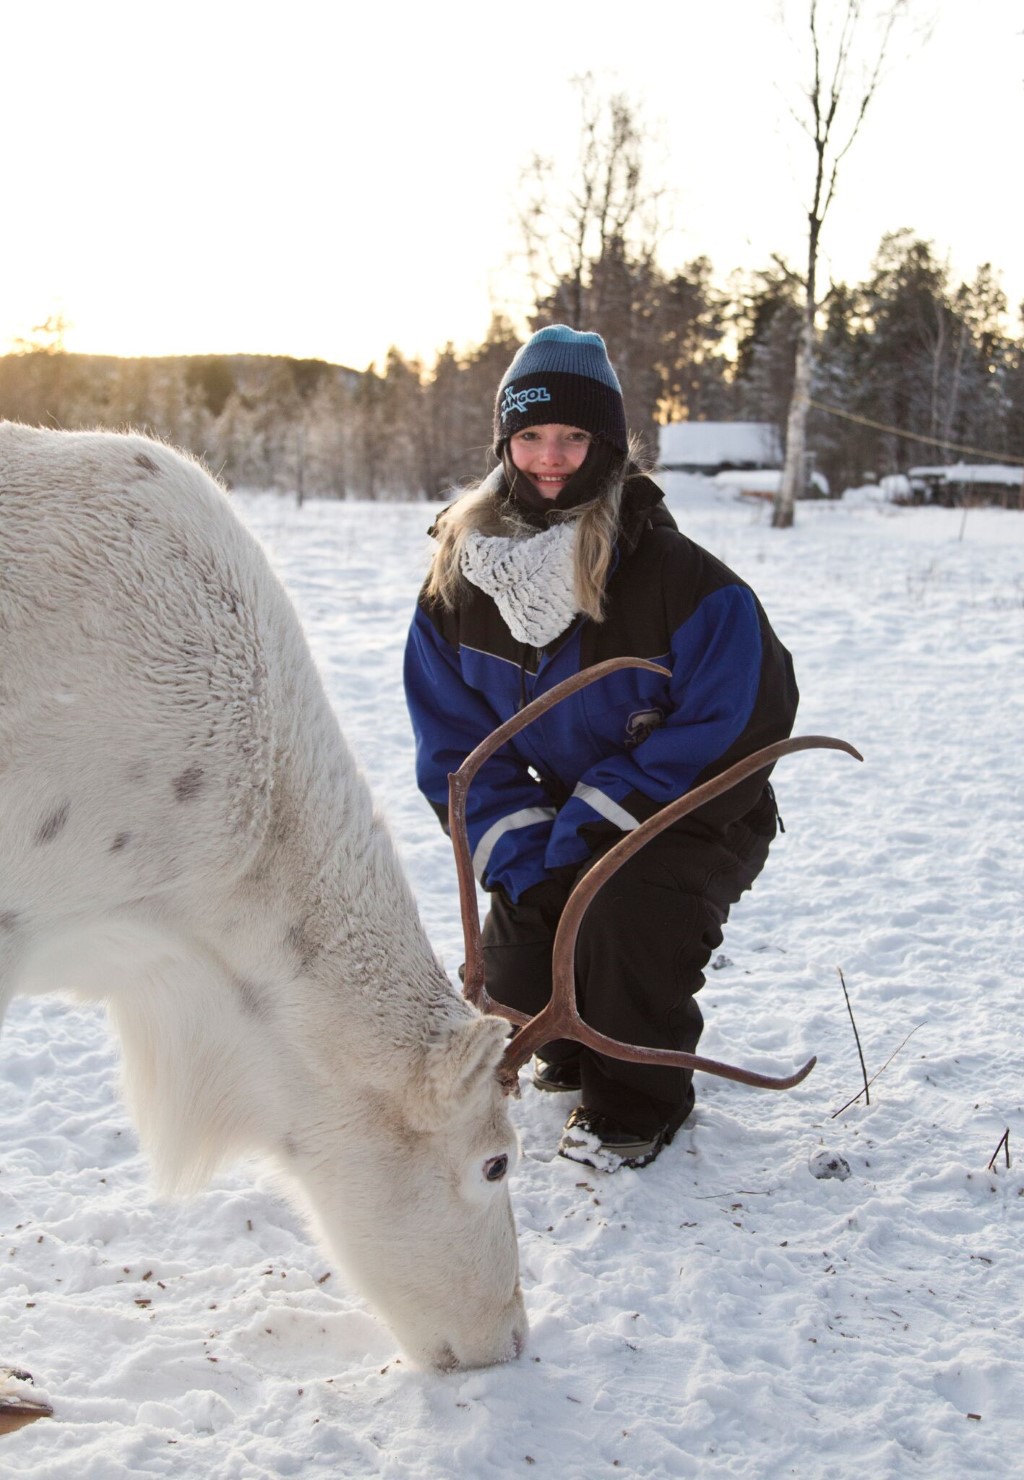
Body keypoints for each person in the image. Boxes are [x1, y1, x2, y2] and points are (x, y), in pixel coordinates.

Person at [403, 325, 798, 1171]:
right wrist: (531, 853)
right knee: (514, 977)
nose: (551, 457)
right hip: (563, 812)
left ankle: (634, 1105)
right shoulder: (458, 587)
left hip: (695, 811)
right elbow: (456, 747)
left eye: (575, 436)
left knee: (619, 919)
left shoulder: (681, 581)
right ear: (506, 441)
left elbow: (736, 723)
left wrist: (596, 828)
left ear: (608, 446)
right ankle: (574, 1042)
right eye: (532, 435)